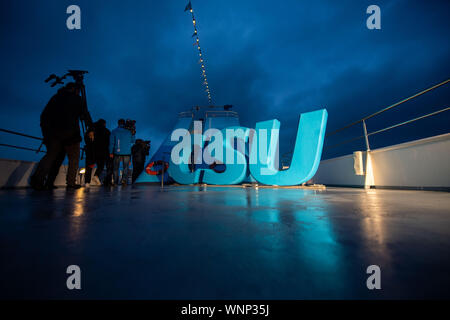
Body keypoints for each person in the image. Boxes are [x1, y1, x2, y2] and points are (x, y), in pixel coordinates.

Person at [30, 82, 92, 190]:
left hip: (53, 134)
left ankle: (39, 180)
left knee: (51, 157)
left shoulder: (55, 98)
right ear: (75, 89)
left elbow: (44, 116)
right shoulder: (77, 99)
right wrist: (91, 129)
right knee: (73, 159)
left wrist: (46, 132)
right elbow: (85, 114)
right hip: (71, 135)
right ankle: (71, 182)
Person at [84, 119, 110, 187]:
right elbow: (108, 143)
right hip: (101, 152)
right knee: (101, 166)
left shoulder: (91, 130)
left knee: (89, 167)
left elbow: (86, 139)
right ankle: (96, 175)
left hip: (91, 152)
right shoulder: (106, 131)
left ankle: (87, 182)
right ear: (104, 124)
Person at [109, 119, 135, 185]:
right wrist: (133, 133)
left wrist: (110, 152)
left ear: (118, 123)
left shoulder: (114, 131)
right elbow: (133, 140)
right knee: (125, 167)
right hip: (127, 152)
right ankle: (124, 180)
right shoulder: (129, 131)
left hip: (117, 152)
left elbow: (111, 143)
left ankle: (115, 181)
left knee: (115, 168)